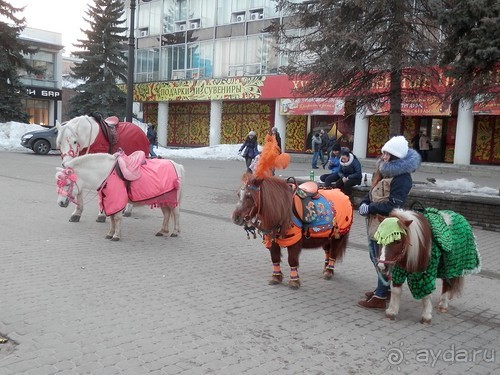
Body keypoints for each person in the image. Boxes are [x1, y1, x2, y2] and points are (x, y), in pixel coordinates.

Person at [357, 135, 421, 309]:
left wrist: (370, 208)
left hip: (387, 224)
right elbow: (372, 192)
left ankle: (381, 294)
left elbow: (395, 204)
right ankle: (382, 288)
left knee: (381, 258)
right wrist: (364, 203)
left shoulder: (402, 178)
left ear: (395, 156)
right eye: (383, 153)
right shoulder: (383, 171)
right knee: (374, 256)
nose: (383, 156)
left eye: (386, 154)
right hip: (375, 221)